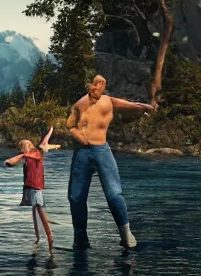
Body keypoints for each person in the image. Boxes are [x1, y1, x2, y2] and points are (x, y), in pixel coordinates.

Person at [67, 74, 158, 250]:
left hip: (102, 150)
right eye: (96, 85)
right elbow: (69, 124)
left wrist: (149, 107)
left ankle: (125, 234)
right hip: (82, 153)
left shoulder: (108, 101)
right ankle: (80, 238)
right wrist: (78, 135)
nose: (98, 88)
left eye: (102, 85)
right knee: (76, 197)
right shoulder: (79, 104)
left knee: (114, 194)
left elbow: (132, 105)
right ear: (91, 86)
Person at [5, 127, 62, 255]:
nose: (27, 147)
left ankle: (50, 239)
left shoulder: (36, 153)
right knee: (35, 211)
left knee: (40, 213)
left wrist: (51, 131)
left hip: (35, 188)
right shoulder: (28, 156)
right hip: (30, 187)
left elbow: (44, 144)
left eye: (26, 145)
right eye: (25, 146)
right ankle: (37, 238)